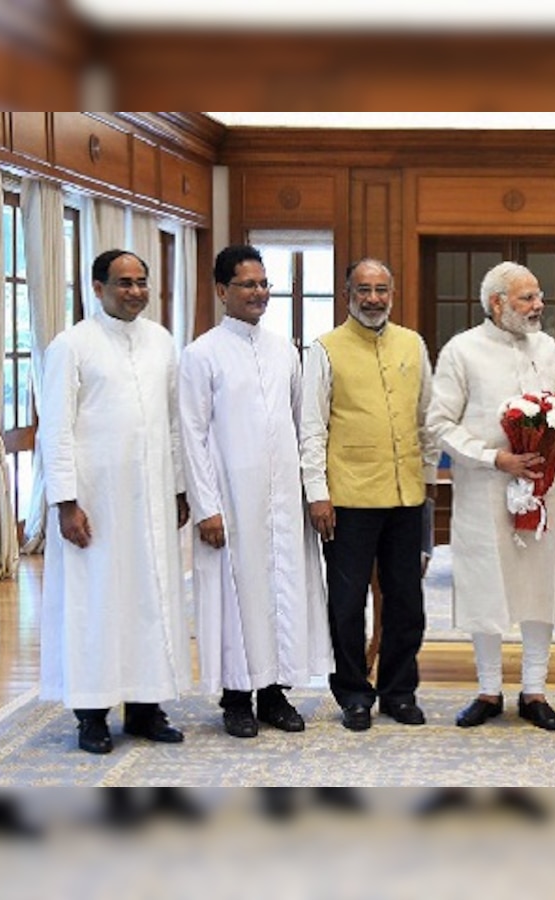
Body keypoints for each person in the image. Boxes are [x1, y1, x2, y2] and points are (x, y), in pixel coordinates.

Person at [38, 249, 191, 754]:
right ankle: (93, 715)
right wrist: (65, 502)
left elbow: (173, 421)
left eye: (142, 282)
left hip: (150, 499)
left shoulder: (162, 342)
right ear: (97, 286)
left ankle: (146, 709)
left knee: (151, 599)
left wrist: (179, 486)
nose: (135, 292)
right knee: (97, 603)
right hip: (96, 504)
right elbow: (56, 430)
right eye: (124, 283)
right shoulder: (72, 345)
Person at [179, 244, 332, 739]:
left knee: (282, 591)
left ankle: (274, 694)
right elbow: (192, 435)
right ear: (222, 290)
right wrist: (206, 507)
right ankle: (236, 699)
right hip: (230, 500)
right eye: (248, 284)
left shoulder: (284, 350)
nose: (260, 293)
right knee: (237, 594)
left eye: (264, 284)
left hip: (283, 500)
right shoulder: (201, 354)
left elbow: (299, 422)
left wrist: (311, 490)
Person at [427, 261, 555, 731]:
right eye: (527, 298)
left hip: (543, 489)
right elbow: (439, 424)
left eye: (538, 297)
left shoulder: (547, 346)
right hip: (484, 488)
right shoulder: (462, 351)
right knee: (486, 586)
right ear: (497, 303)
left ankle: (534, 690)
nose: (539, 306)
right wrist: (495, 459)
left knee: (541, 585)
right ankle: (488, 690)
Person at [301, 258, 438, 731]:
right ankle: (354, 694)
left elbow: (427, 418)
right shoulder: (324, 349)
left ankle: (400, 692)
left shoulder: (412, 344)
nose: (374, 298)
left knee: (406, 603)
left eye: (382, 289)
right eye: (364, 290)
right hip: (348, 499)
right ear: (348, 295)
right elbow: (311, 429)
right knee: (346, 602)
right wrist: (317, 493)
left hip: (406, 497)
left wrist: (430, 482)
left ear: (392, 293)